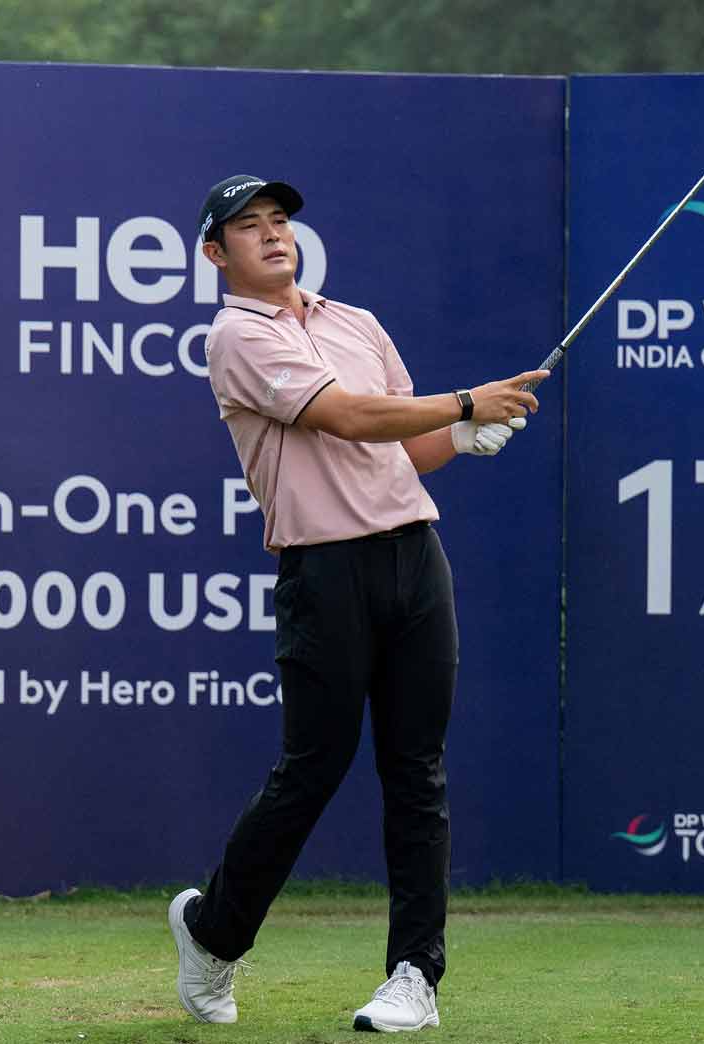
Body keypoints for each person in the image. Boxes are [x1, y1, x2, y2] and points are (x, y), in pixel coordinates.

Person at [167, 174, 549, 1033]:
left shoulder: (357, 322)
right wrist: (465, 402)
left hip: (415, 556)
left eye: (279, 220)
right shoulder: (235, 335)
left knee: (417, 770)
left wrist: (461, 435)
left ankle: (415, 976)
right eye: (249, 227)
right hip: (324, 570)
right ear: (216, 254)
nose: (273, 234)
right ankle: (213, 931)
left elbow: (407, 446)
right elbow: (346, 416)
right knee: (312, 769)